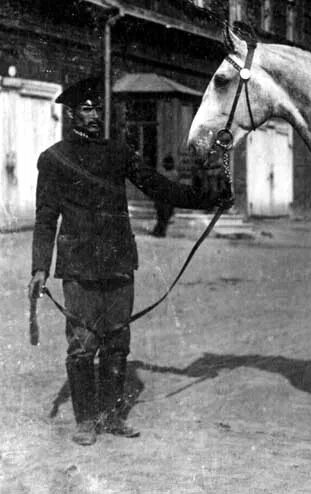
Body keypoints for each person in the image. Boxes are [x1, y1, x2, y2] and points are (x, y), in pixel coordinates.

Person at [27, 77, 230, 446]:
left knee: (118, 342)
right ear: (71, 114)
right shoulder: (54, 159)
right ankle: (86, 421)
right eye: (86, 109)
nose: (94, 116)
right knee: (82, 345)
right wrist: (40, 267)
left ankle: (111, 417)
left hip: (118, 262)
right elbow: (45, 218)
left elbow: (159, 187)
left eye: (98, 109)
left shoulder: (118, 153)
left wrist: (207, 199)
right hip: (79, 267)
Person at [151, 154, 177, 237]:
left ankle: (160, 231)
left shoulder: (173, 174)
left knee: (164, 216)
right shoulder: (166, 173)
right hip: (163, 199)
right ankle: (159, 231)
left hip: (167, 199)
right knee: (162, 216)